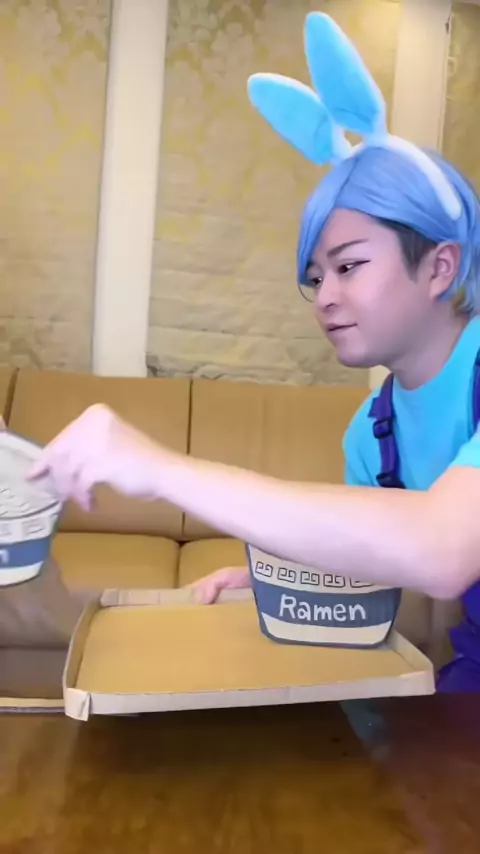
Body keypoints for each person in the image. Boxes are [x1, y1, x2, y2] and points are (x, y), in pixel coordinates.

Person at [29, 14, 480, 691]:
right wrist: (280, 579)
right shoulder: (373, 433)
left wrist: (158, 467)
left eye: (348, 266)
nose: (325, 296)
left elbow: (442, 550)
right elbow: (376, 561)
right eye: (315, 278)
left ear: (440, 267)